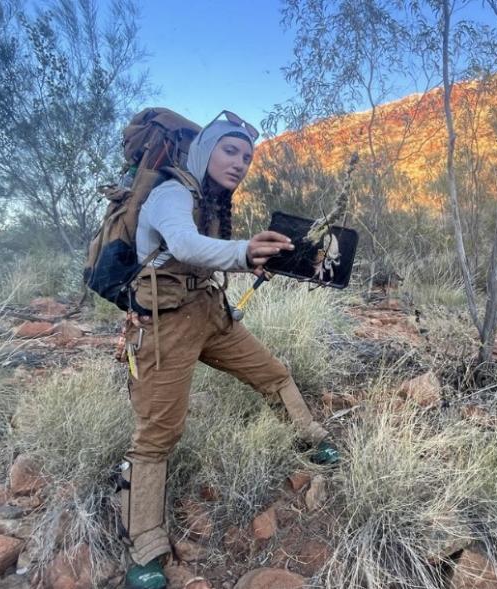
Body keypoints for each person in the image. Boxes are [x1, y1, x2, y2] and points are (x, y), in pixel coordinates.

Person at [115, 111, 339, 589]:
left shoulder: (212, 201)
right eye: (230, 150)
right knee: (157, 435)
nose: (240, 163)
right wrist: (242, 252)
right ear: (205, 149)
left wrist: (256, 263)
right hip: (167, 326)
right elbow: (185, 244)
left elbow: (204, 258)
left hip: (211, 315)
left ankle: (309, 437)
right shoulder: (171, 194)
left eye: (247, 157)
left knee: (274, 374)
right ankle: (145, 550)